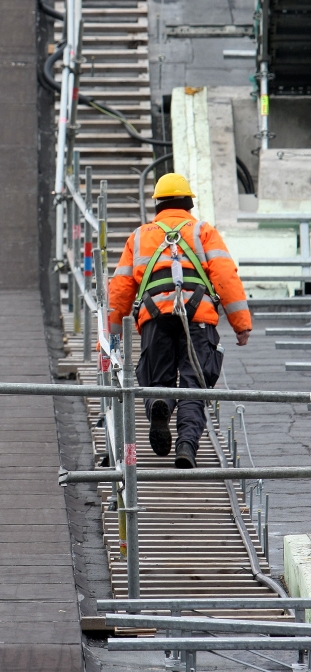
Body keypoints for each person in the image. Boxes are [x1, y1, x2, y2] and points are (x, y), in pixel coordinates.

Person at [108, 172, 252, 468]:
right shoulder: (203, 231)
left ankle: (159, 406)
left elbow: (120, 287)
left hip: (154, 318)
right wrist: (241, 324)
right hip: (197, 317)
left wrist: (112, 335)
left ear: (158, 205)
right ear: (188, 204)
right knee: (193, 386)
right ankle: (186, 445)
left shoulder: (139, 236)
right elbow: (226, 277)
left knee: (155, 379)